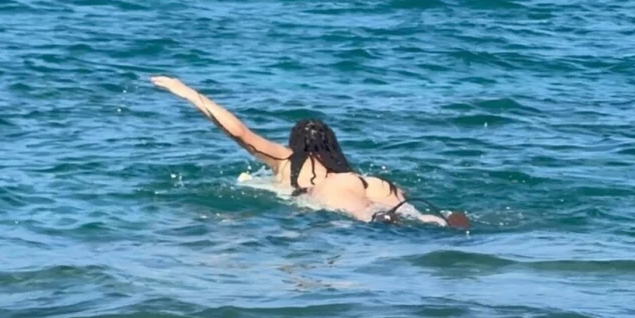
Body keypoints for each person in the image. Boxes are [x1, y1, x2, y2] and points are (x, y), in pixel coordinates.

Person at [150, 76, 469, 228]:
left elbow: (239, 132)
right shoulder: (353, 172)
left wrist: (186, 91)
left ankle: (390, 220)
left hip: (330, 194)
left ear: (294, 143)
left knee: (367, 217)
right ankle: (438, 221)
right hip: (372, 186)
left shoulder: (286, 159)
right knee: (410, 213)